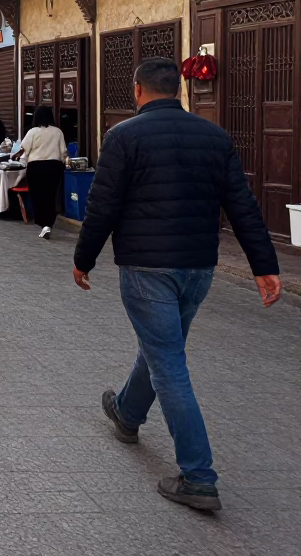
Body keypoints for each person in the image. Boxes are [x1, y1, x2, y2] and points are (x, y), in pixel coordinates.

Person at [72, 58, 281, 512]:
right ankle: (127, 413)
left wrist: (83, 259)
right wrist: (265, 265)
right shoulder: (215, 137)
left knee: (169, 363)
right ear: (179, 90)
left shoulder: (123, 136)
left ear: (137, 91)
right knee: (162, 348)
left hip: (147, 267)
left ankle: (199, 477)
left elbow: (102, 205)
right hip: (197, 269)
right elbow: (242, 206)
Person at [13, 106, 68, 238]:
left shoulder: (33, 132)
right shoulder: (58, 132)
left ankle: (43, 223)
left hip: (36, 167)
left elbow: (24, 149)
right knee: (51, 195)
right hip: (54, 166)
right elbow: (63, 152)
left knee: (38, 196)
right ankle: (49, 223)